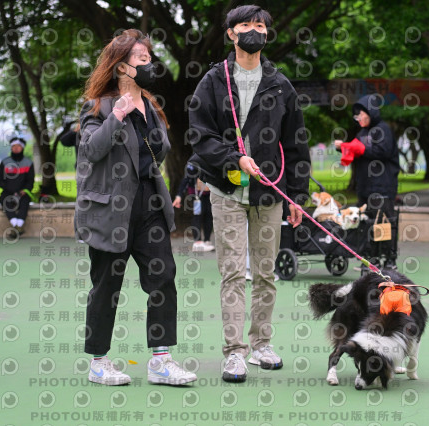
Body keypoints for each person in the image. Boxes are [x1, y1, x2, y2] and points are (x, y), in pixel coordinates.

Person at [188, 4, 310, 383]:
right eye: (245, 25)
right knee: (231, 273)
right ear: (231, 33)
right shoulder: (213, 81)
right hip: (226, 189)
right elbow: (200, 135)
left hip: (269, 193)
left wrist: (297, 195)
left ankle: (261, 344)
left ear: (267, 34)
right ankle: (234, 352)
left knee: (265, 272)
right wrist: (234, 158)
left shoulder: (280, 84)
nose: (253, 30)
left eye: (260, 25)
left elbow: (296, 144)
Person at [76, 29, 196, 386]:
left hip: (149, 204)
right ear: (121, 66)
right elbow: (91, 150)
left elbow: (158, 153)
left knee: (163, 278)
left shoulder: (151, 106)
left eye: (149, 58)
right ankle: (99, 362)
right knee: (106, 286)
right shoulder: (98, 106)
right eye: (142, 59)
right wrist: (117, 115)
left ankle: (161, 360)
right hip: (110, 209)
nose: (150, 64)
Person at [334, 95, 400, 269]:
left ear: (371, 113)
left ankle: (388, 259)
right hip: (365, 186)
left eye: (361, 114)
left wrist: (359, 148)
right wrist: (344, 147)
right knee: (367, 221)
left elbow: (383, 151)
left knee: (383, 222)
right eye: (356, 116)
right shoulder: (362, 133)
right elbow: (356, 151)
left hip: (382, 186)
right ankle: (371, 258)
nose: (358, 118)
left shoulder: (383, 130)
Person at [0, 135, 34, 237]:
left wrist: (25, 190)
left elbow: (30, 180)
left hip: (22, 193)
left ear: (22, 148)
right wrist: (8, 188)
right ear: (11, 148)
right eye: (14, 146)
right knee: (4, 201)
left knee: (25, 202)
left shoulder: (28, 163)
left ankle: (18, 226)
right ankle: (16, 225)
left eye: (18, 146)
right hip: (7, 192)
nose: (16, 148)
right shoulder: (5, 162)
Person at [172, 163, 214, 252]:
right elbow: (186, 179)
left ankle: (207, 240)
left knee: (209, 215)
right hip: (197, 195)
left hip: (210, 194)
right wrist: (179, 195)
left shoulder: (213, 159)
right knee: (198, 215)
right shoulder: (193, 162)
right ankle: (197, 242)